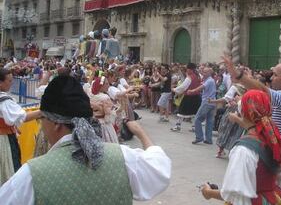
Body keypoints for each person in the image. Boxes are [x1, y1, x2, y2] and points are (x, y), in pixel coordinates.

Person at [0, 75, 171, 203]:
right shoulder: (123, 157)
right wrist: (141, 133)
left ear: (55, 124)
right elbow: (160, 170)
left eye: (42, 119)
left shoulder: (31, 175)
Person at [222, 54, 281, 205]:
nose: (271, 78)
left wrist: (238, 75)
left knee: (278, 200)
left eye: (275, 75)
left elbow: (263, 90)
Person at [201, 90, 281, 205]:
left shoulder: (243, 150)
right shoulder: (276, 140)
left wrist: (208, 192)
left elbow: (234, 194)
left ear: (242, 112)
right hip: (273, 199)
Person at [0, 68, 42, 186]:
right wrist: (41, 112)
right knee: (8, 168)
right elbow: (22, 117)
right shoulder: (4, 101)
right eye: (9, 81)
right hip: (3, 139)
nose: (11, 83)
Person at [188, 67, 216, 144]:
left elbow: (202, 87)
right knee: (209, 121)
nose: (204, 73)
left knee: (197, 119)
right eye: (203, 72)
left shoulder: (209, 80)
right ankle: (208, 139)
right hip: (212, 102)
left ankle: (199, 137)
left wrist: (192, 90)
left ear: (210, 73)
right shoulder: (209, 80)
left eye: (206, 72)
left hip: (207, 102)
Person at [170, 63, 202, 132]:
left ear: (190, 69)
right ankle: (194, 127)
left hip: (189, 96)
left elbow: (183, 87)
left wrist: (174, 89)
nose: (186, 70)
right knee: (194, 112)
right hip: (196, 96)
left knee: (181, 111)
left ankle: (178, 126)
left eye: (187, 69)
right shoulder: (198, 76)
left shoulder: (189, 77)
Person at [90, 75, 119, 143]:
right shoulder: (105, 97)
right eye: (106, 84)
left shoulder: (91, 96)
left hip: (93, 123)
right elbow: (108, 115)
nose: (108, 85)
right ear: (101, 85)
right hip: (104, 125)